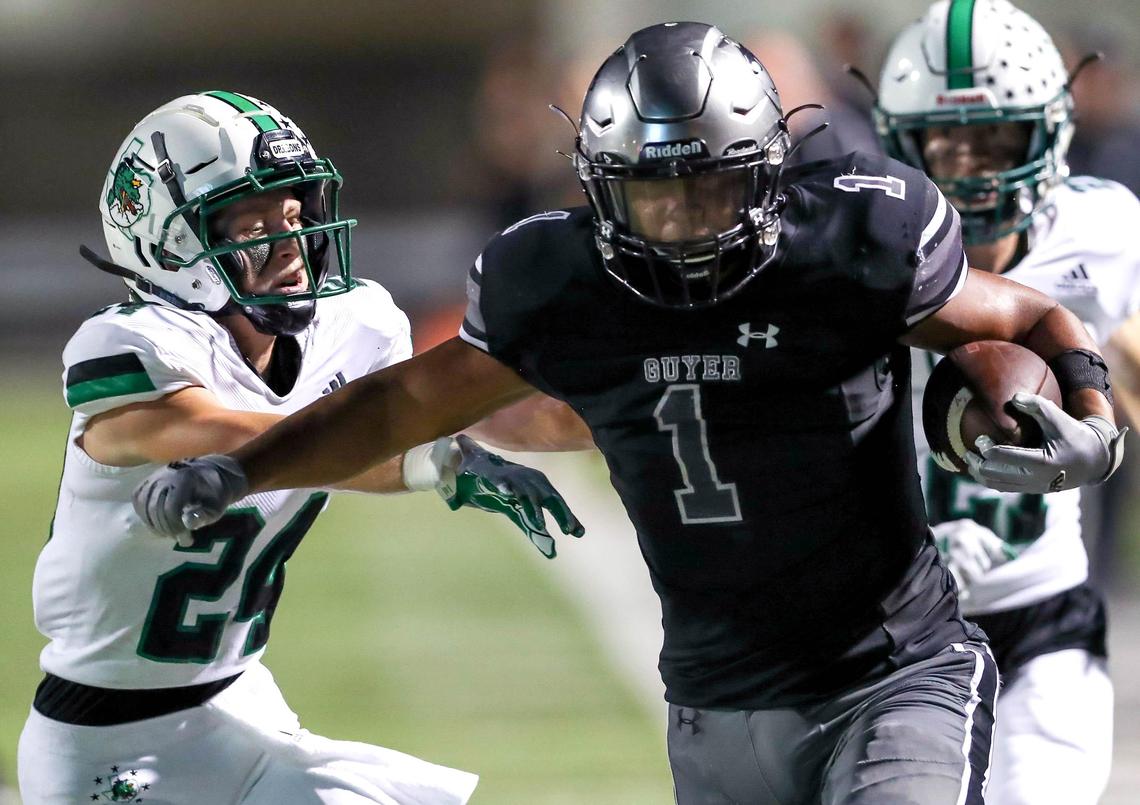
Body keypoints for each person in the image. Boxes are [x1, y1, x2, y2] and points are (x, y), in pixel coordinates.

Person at [136, 24, 1128, 804]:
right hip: (717, 702)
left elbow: (1029, 314)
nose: (689, 221)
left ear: (771, 173)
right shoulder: (557, 283)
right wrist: (246, 465)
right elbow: (405, 401)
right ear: (603, 187)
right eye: (659, 195)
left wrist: (1089, 412)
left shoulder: (854, 238)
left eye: (713, 188)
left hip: (893, 671)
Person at [17, 91, 582, 804]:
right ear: (170, 243)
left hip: (244, 703)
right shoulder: (129, 343)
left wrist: (611, 413)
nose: (288, 243)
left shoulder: (355, 324)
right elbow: (243, 436)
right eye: (252, 223)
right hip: (108, 744)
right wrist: (427, 453)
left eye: (292, 212)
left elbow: (379, 429)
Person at [873, 2, 1140, 802]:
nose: (975, 164)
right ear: (901, 142)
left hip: (1038, 615)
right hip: (885, 632)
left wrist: (1106, 427)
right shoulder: (861, 242)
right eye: (949, 141)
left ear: (1049, 130)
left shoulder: (1100, 232)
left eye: (997, 138)